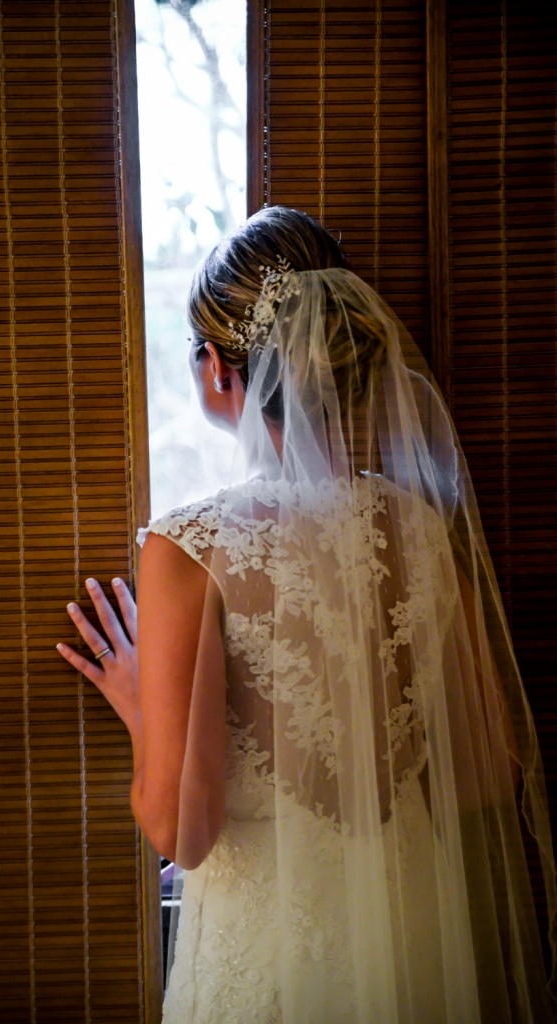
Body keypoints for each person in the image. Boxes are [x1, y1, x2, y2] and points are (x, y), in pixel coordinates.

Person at [57, 207, 556, 1023]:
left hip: (272, 951)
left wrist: (142, 696)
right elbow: (489, 772)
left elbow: (183, 831)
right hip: (413, 933)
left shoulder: (191, 549)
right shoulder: (421, 529)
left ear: (218, 370)